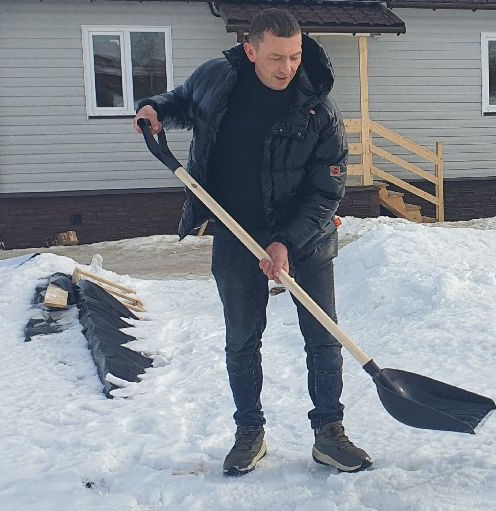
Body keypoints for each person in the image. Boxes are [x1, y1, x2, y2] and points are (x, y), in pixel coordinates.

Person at [132, 8, 370, 476]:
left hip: (307, 234)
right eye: (276, 57)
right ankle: (249, 432)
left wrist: (286, 242)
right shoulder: (216, 79)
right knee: (242, 339)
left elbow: (328, 189)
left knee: (323, 337)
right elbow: (182, 102)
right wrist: (156, 110)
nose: (287, 68)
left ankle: (329, 433)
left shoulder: (318, 106)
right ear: (250, 50)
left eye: (295, 56)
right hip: (235, 229)